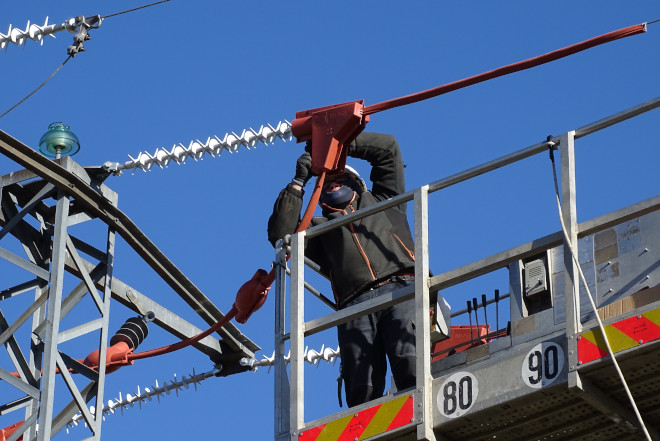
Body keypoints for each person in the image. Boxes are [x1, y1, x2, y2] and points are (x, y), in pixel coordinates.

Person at [267, 132, 417, 407]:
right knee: (362, 391)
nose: (334, 184)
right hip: (354, 304)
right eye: (328, 181)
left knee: (411, 366)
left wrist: (335, 148)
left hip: (401, 288)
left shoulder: (386, 200)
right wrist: (298, 183)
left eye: (341, 178)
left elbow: (388, 150)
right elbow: (281, 234)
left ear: (358, 184)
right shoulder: (320, 231)